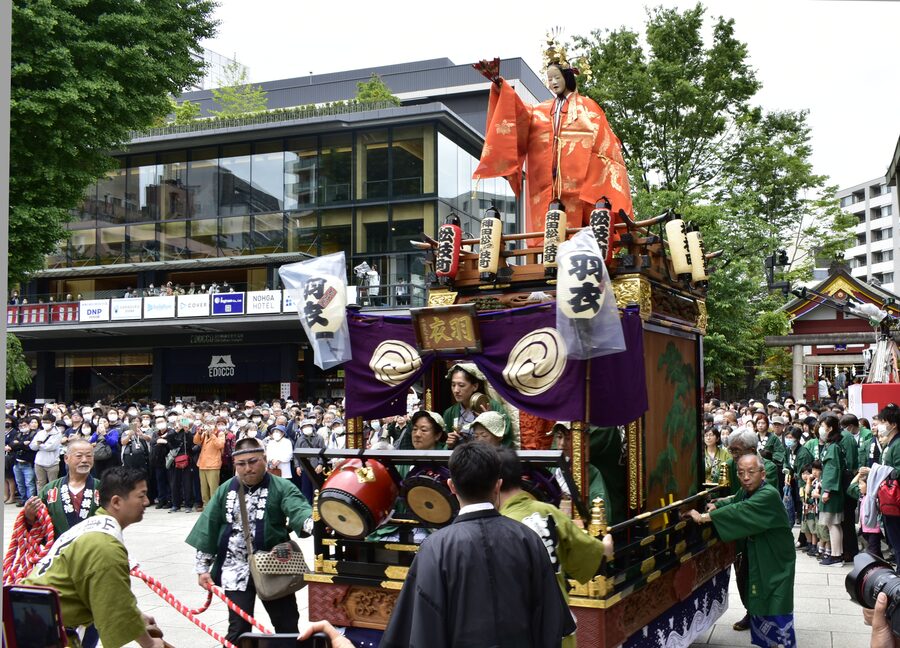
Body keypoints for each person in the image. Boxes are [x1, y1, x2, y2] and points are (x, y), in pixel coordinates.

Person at [380, 443, 577, 648]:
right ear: (497, 485)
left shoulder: (435, 548)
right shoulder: (527, 539)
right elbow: (550, 621)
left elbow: (424, 627)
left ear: (451, 486)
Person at [471, 45, 633, 259]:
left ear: (567, 76)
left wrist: (594, 180)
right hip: (547, 186)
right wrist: (501, 87)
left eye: (557, 77)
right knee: (550, 231)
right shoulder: (540, 110)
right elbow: (519, 115)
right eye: (549, 79)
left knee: (581, 236)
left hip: (579, 186)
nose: (553, 82)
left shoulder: (588, 108)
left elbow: (605, 149)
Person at [186, 437, 313, 645]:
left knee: (287, 624)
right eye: (241, 464)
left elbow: (298, 509)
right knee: (238, 628)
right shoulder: (226, 489)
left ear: (264, 458)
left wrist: (313, 522)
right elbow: (208, 526)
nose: (247, 468)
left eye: (253, 461)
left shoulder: (282, 487)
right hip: (235, 567)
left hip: (273, 565)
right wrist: (202, 568)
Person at [22, 466, 166, 648]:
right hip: (42, 631)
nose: (147, 501)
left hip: (34, 619)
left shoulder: (91, 526)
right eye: (141, 495)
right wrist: (150, 644)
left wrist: (137, 616)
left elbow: (111, 593)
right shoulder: (104, 546)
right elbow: (116, 606)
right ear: (116, 502)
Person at [496, 447, 611, 648]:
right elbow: (588, 555)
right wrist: (604, 547)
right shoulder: (548, 512)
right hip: (558, 624)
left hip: (516, 630)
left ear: (494, 483)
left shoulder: (496, 526)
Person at [686, 454, 796, 648]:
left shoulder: (768, 494)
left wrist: (703, 517)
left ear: (763, 474)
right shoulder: (747, 491)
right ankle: (766, 643)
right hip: (760, 552)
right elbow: (734, 502)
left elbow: (741, 510)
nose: (745, 477)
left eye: (751, 472)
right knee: (759, 597)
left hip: (775, 557)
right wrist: (716, 505)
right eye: (741, 473)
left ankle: (784, 645)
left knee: (777, 600)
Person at [442, 362, 511, 447]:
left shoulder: (491, 405)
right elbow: (447, 443)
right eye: (453, 385)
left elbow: (506, 435)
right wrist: (450, 444)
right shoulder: (450, 413)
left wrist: (490, 420)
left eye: (461, 385)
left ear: (475, 386)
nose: (456, 390)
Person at [818, 413, 846, 567]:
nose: (821, 429)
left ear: (830, 428)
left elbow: (832, 470)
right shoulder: (833, 445)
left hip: (831, 492)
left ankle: (836, 556)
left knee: (832, 524)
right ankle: (838, 554)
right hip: (833, 490)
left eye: (823, 426)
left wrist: (827, 490)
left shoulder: (833, 447)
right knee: (834, 524)